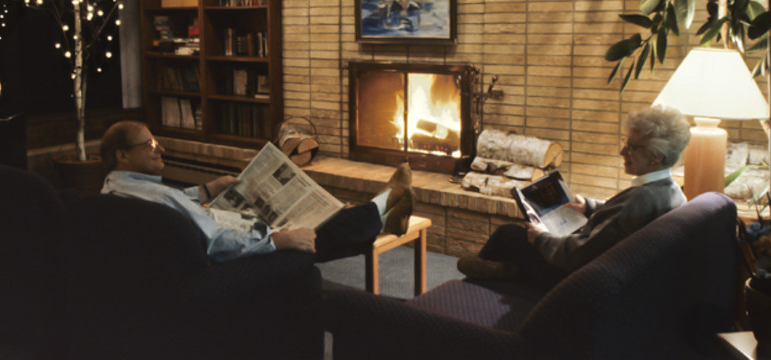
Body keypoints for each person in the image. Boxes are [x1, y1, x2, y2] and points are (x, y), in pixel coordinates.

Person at [99, 120, 414, 263]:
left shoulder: (114, 190)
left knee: (323, 222)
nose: (160, 148)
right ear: (122, 155)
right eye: (150, 145)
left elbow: (176, 207)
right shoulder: (159, 198)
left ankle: (380, 216)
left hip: (210, 230)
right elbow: (217, 244)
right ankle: (383, 204)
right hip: (229, 253)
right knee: (318, 230)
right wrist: (278, 241)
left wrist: (207, 189)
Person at [457, 105, 690, 284]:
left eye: (631, 147)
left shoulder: (641, 198)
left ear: (656, 156)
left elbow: (578, 256)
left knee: (509, 234)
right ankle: (507, 271)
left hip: (573, 275)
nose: (621, 151)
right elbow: (622, 221)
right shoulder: (669, 191)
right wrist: (589, 206)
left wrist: (541, 239)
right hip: (605, 265)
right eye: (625, 142)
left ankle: (476, 287)